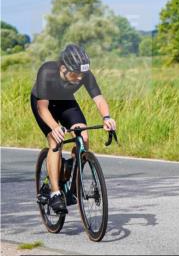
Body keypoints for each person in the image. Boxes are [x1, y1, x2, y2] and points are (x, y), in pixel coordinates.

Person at [30, 44, 116, 214]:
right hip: (44, 104)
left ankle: (73, 177)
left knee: (83, 136)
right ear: (63, 68)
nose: (79, 78)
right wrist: (55, 127)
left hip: (65, 102)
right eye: (76, 74)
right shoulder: (47, 71)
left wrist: (107, 118)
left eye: (82, 74)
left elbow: (99, 99)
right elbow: (42, 108)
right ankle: (55, 193)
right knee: (55, 141)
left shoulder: (84, 74)